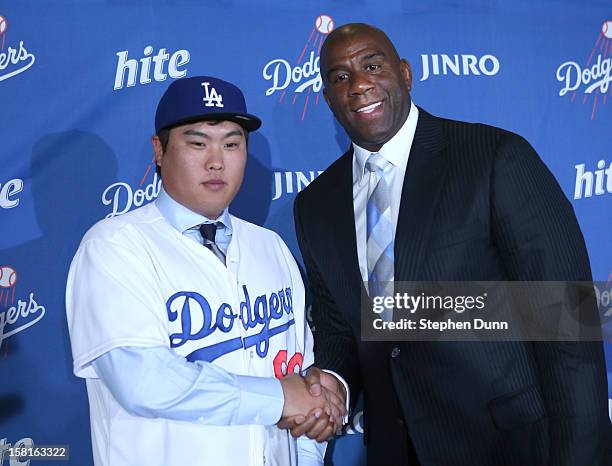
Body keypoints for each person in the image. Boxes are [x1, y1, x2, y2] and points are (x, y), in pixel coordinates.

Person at [292, 23, 611, 465]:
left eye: (372, 65)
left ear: (404, 73)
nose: (359, 84)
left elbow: (567, 324)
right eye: (340, 76)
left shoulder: (493, 157)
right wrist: (335, 384)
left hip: (510, 447)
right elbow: (339, 330)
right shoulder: (315, 205)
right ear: (328, 98)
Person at [65, 76, 344, 466]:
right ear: (159, 150)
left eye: (232, 144)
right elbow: (145, 382)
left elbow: (301, 374)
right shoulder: (114, 246)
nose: (217, 161)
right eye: (198, 143)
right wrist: (281, 397)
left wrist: (310, 440)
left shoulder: (271, 248)